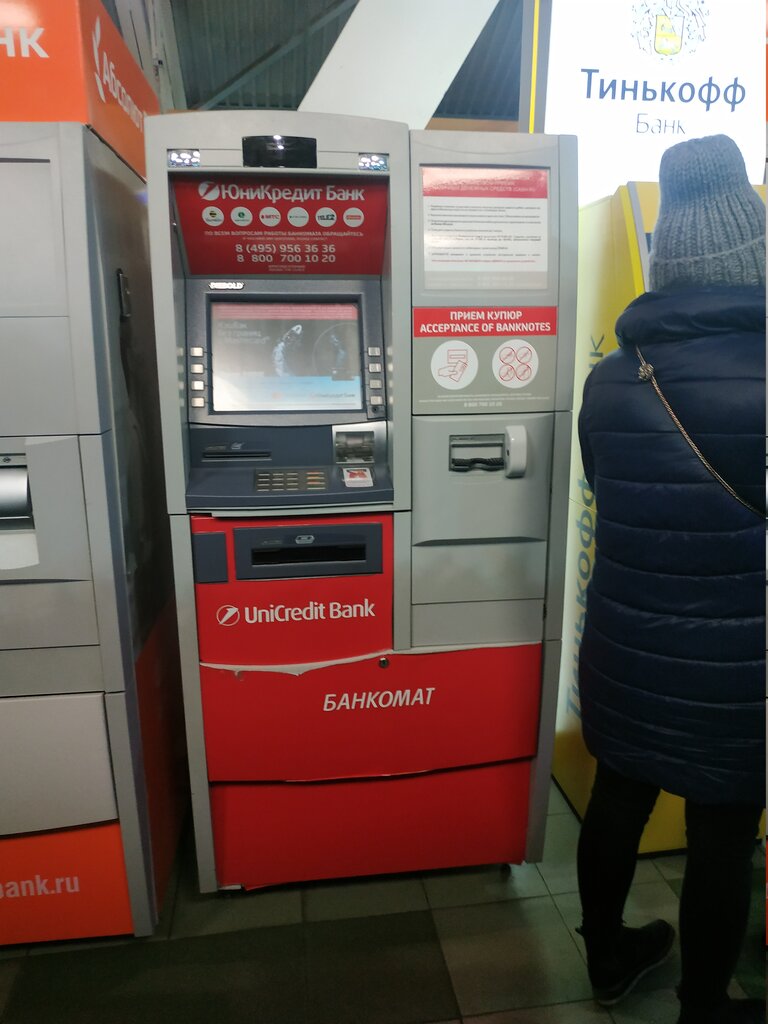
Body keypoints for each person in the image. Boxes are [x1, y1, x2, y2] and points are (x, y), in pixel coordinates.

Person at [575, 134, 765, 1024]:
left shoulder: (612, 380)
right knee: (722, 830)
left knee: (617, 797)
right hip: (739, 666)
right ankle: (703, 1005)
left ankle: (606, 959)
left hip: (628, 645)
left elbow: (607, 492)